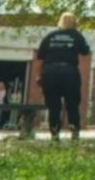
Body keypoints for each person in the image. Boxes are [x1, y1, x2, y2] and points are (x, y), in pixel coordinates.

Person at [37, 12, 91, 142]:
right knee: (72, 104)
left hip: (50, 73)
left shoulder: (50, 36)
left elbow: (40, 56)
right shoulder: (76, 35)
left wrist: (40, 75)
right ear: (74, 22)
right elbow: (85, 51)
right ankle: (74, 133)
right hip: (69, 72)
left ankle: (55, 135)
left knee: (53, 106)